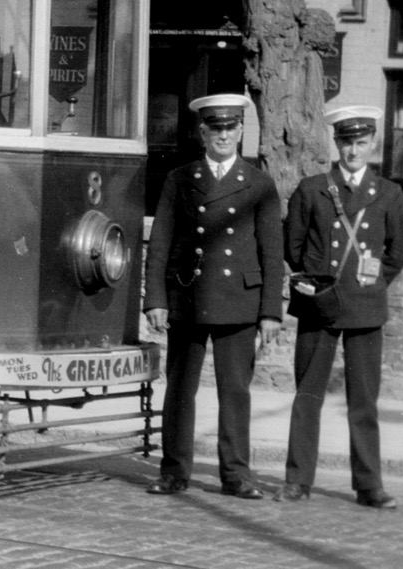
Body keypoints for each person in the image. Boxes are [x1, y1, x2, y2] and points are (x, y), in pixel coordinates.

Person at [144, 93, 284, 500]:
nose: (223, 135)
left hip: (239, 298)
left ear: (241, 131)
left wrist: (270, 312)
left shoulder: (259, 183)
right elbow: (161, 243)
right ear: (202, 132)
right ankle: (173, 472)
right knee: (180, 390)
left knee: (235, 391)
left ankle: (236, 475)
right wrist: (155, 298)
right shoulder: (179, 178)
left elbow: (271, 253)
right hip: (188, 295)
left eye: (230, 128)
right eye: (215, 128)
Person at [273, 105, 403, 508]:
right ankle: (297, 480)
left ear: (372, 145)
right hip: (320, 306)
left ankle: (369, 485)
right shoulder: (313, 188)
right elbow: (292, 247)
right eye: (347, 142)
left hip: (366, 308)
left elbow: (398, 252)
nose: (353, 151)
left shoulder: (388, 193)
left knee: (364, 401)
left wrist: (368, 282)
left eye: (361, 143)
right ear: (336, 144)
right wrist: (319, 283)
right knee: (307, 396)